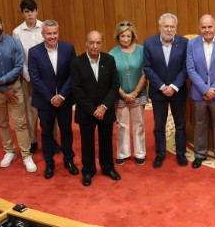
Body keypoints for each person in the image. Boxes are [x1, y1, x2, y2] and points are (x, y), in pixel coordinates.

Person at [0, 13, 36, 172]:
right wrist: (3, 89)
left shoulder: (14, 42)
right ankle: (9, 151)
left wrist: (3, 83)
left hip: (14, 88)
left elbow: (18, 67)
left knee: (20, 123)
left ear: (2, 23)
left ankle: (26, 155)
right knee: (2, 124)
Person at [27, 20, 78, 179]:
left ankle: (69, 160)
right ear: (43, 34)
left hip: (65, 99)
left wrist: (61, 96)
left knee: (67, 131)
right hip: (44, 101)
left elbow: (73, 74)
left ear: (58, 32)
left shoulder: (68, 48)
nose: (52, 36)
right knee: (47, 133)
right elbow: (35, 79)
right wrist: (51, 98)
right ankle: (49, 163)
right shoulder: (34, 52)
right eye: (49, 33)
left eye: (55, 33)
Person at [70, 31, 121, 186]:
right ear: (86, 42)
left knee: (106, 140)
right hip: (87, 111)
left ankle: (107, 168)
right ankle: (88, 171)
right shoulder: (77, 62)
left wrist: (104, 106)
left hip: (105, 109)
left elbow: (115, 85)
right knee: (87, 143)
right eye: (91, 42)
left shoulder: (109, 60)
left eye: (98, 43)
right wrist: (94, 110)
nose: (94, 46)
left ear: (102, 43)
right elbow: (77, 90)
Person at [143, 13, 189, 169]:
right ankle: (160, 153)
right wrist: (162, 87)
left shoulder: (184, 43)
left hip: (178, 91)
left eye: (172, 26)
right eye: (166, 26)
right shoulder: (149, 43)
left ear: (176, 28)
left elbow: (185, 68)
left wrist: (174, 87)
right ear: (160, 27)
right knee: (159, 125)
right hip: (158, 92)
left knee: (180, 124)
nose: (169, 30)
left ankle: (181, 153)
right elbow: (147, 68)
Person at [186, 14, 215, 171]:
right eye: (203, 27)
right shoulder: (192, 44)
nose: (207, 30)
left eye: (209, 26)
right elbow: (190, 69)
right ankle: (200, 154)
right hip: (199, 93)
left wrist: (214, 89)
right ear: (199, 28)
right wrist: (205, 89)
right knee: (200, 124)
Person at [109, 21, 148, 166]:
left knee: (139, 124)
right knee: (121, 124)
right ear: (117, 37)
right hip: (120, 95)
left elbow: (145, 72)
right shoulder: (112, 54)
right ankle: (122, 152)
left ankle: (140, 152)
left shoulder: (141, 50)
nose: (125, 39)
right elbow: (112, 78)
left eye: (128, 36)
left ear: (133, 36)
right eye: (122, 36)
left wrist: (135, 92)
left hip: (138, 93)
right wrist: (124, 95)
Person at [12, 0, 43, 154]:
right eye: (26, 11)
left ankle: (51, 140)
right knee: (30, 111)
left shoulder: (45, 27)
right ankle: (33, 141)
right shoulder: (17, 32)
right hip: (27, 77)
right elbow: (18, 58)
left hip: (46, 77)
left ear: (37, 11)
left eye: (32, 11)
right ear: (22, 13)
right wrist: (28, 76)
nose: (30, 14)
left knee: (49, 110)